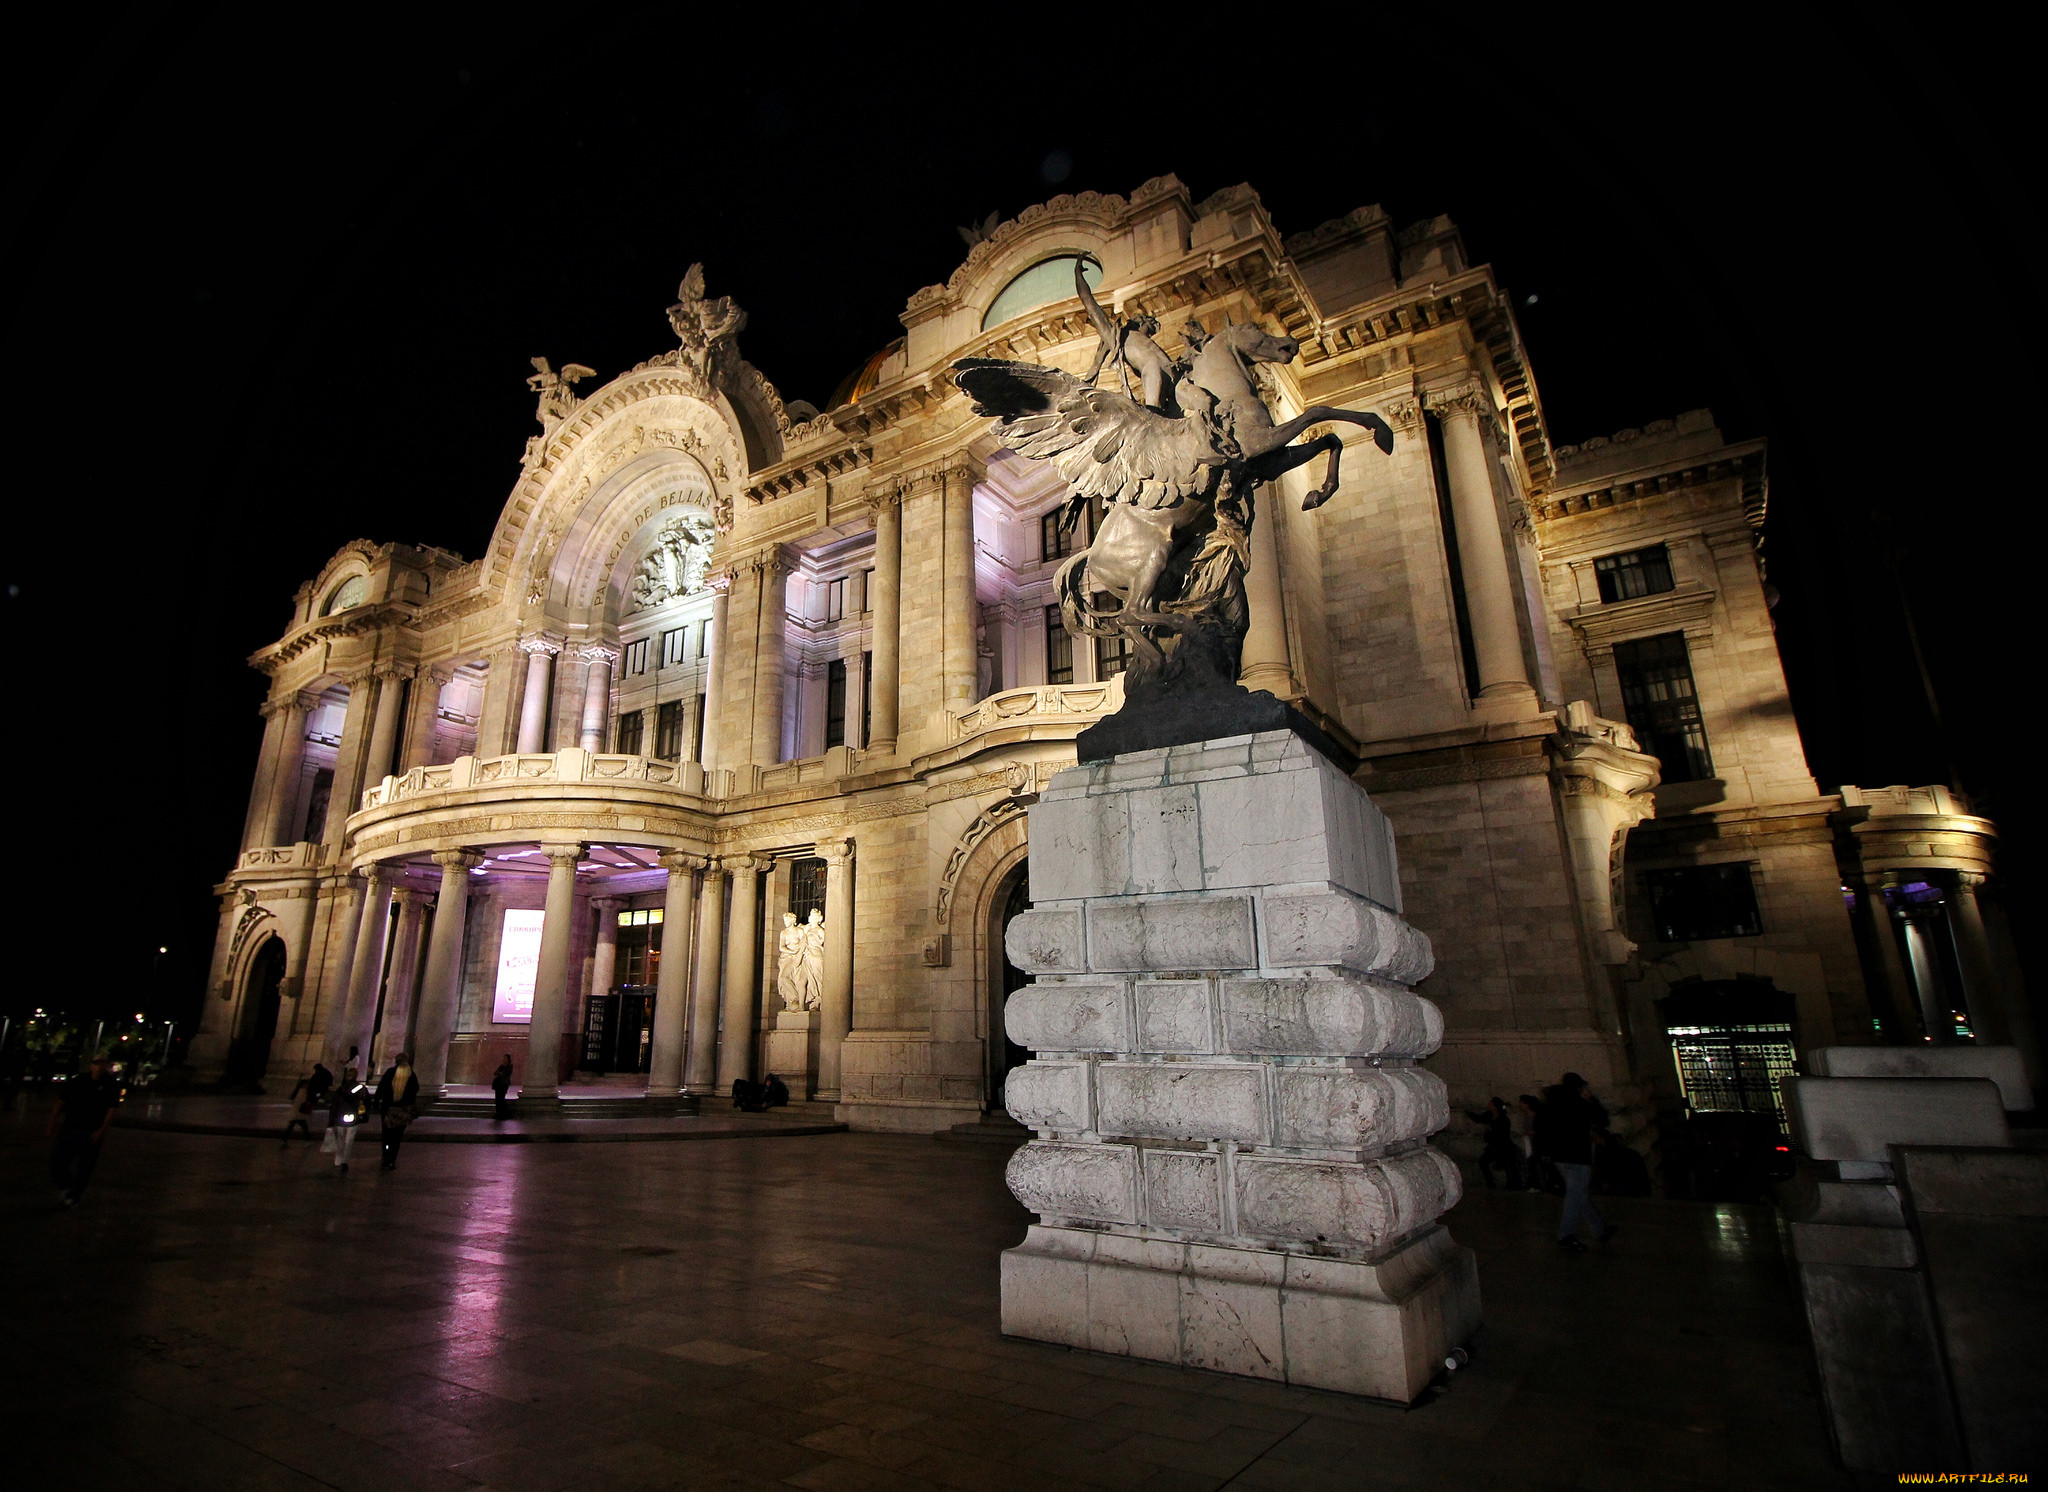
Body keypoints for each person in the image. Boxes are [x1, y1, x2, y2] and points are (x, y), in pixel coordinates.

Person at [1535, 1071, 1618, 1251]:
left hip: (1559, 1156)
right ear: (1580, 1087)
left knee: (1578, 1193)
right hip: (1578, 1157)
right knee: (1575, 1195)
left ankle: (1599, 1229)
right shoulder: (1580, 1104)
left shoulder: (1550, 1104)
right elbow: (1603, 1120)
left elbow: (1541, 1128)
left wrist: (1545, 1152)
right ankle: (1567, 1234)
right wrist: (1592, 1099)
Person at [48, 1054, 121, 1206]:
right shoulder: (78, 1081)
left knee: (84, 1165)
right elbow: (60, 1101)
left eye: (102, 1064)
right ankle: (66, 1186)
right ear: (90, 1065)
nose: (99, 1067)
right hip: (70, 1126)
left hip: (91, 1129)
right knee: (56, 1161)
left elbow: (112, 1109)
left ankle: (74, 1194)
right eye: (96, 1063)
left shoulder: (111, 1084)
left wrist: (101, 1130)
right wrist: (52, 1122)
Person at [322, 1048, 365, 1172]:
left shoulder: (340, 1089)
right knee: (348, 1140)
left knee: (341, 1139)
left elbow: (334, 1105)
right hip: (352, 1116)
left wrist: (331, 1120)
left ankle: (339, 1159)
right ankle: (344, 1160)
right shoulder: (358, 1087)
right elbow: (363, 1100)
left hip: (341, 1116)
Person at [375, 1054, 419, 1171]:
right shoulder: (411, 1075)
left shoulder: (390, 1073)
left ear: (396, 1061)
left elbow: (380, 1089)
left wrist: (376, 1104)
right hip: (402, 1111)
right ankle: (392, 1161)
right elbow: (415, 1091)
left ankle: (385, 1157)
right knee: (397, 1138)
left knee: (386, 1136)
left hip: (388, 1110)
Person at [1467, 1097, 1520, 1189]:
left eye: (1490, 1104)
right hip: (1493, 1146)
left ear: (1495, 1107)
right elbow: (1478, 1118)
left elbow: (1502, 1133)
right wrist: (1469, 1113)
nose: (1488, 1105)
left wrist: (1491, 1129)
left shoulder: (1504, 1119)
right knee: (1483, 1162)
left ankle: (1513, 1184)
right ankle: (1490, 1183)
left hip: (1503, 1146)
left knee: (1508, 1165)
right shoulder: (1489, 1115)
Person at [281, 1062, 333, 1144]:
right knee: (300, 1125)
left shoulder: (301, 1091)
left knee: (296, 1125)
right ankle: (304, 1140)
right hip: (299, 1113)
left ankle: (287, 1139)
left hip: (297, 1113)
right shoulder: (303, 1092)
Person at [491, 1054, 514, 1120]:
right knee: (498, 1099)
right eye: (504, 1058)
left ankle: (503, 1114)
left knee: (501, 1099)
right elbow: (496, 1073)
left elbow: (506, 1074)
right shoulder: (502, 1066)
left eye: (506, 1058)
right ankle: (498, 1113)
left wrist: (500, 1073)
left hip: (504, 1084)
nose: (504, 1059)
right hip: (499, 1084)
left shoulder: (509, 1066)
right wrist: (500, 1073)